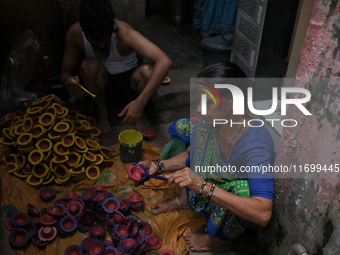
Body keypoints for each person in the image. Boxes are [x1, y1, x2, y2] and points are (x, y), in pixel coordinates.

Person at [140, 61, 275, 252]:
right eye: (200, 101)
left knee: (242, 190)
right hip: (212, 187)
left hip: (233, 203)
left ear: (232, 103)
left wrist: (202, 186)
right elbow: (190, 154)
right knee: (184, 127)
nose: (200, 109)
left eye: (209, 102)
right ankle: (186, 199)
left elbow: (263, 213)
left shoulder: (254, 141)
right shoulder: (212, 122)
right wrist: (156, 165)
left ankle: (220, 243)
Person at [60, 0, 172, 137]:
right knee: (88, 66)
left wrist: (140, 103)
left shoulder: (123, 31)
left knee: (148, 71)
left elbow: (164, 61)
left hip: (129, 86)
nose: (101, 46)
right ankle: (102, 111)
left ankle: (139, 113)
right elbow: (65, 73)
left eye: (105, 40)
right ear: (84, 30)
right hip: (99, 90)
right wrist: (69, 81)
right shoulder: (75, 33)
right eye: (95, 42)